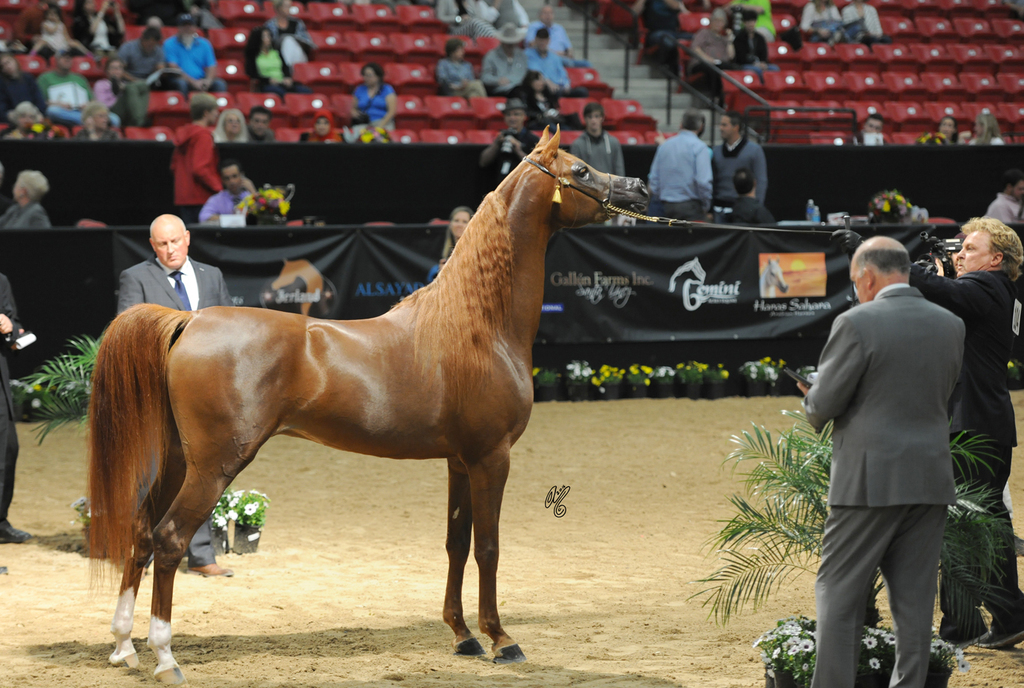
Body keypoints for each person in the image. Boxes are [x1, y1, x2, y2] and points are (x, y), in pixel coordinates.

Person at [835, 217, 1024, 648]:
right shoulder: (990, 293)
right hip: (981, 423)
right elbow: (937, 300)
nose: (960, 253)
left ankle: (971, 623)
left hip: (973, 426)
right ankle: (999, 616)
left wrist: (878, 256)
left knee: (962, 527)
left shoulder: (989, 287)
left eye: (970, 248)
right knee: (982, 526)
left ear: (996, 259)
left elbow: (944, 292)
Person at [801, 236, 965, 688]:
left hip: (867, 482)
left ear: (867, 276)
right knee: (914, 606)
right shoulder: (951, 324)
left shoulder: (856, 322)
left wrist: (812, 395)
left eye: (856, 281)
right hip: (930, 477)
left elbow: (823, 406)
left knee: (837, 594)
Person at [117, 214, 234, 578]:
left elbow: (231, 327)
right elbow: (129, 331)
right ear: (153, 247)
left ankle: (201, 555)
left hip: (207, 395)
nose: (170, 250)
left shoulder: (212, 275)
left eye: (175, 242)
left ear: (187, 238)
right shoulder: (136, 277)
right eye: (162, 244)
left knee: (203, 470)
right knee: (154, 471)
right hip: (158, 390)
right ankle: (145, 551)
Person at [0, 272, 29, 545]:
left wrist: (10, 327)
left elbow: (16, 331)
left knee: (8, 449)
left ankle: (0, 520)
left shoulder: (1, 282)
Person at [648, 108, 712, 221]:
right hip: (689, 207)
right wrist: (706, 204)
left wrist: (659, 199)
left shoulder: (665, 146)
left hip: (664, 206)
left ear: (681, 124)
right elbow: (703, 181)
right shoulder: (700, 147)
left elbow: (654, 179)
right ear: (701, 127)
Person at [38, 50, 122, 128]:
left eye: (70, 57)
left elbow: (92, 100)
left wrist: (87, 105)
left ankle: (90, 121)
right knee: (52, 111)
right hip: (63, 110)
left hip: (83, 111)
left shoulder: (80, 78)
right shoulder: (45, 78)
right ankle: (90, 122)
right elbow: (41, 102)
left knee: (115, 119)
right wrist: (58, 104)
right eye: (64, 57)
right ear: (56, 60)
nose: (67, 59)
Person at [171, 93, 221, 224]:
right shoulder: (203, 135)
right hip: (200, 196)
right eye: (215, 110)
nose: (217, 114)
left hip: (183, 196)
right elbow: (200, 168)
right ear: (206, 113)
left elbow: (174, 166)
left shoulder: (183, 133)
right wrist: (219, 188)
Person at [711, 110, 767, 222]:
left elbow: (761, 181)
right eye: (720, 124)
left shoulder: (754, 151)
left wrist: (756, 208)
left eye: (724, 125)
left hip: (744, 213)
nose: (720, 128)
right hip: (719, 211)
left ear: (735, 127)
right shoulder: (716, 152)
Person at [631, 0, 704, 75]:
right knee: (668, 41)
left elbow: (684, 12)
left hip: (675, 32)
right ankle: (668, 67)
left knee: (697, 38)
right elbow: (634, 13)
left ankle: (695, 68)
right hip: (655, 33)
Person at [479, 96, 538, 186]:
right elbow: (483, 162)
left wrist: (518, 150)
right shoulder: (502, 136)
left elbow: (537, 167)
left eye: (516, 114)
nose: (512, 118)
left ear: (524, 117)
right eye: (508, 115)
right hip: (500, 186)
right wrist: (496, 144)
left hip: (523, 187)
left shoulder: (532, 139)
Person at [163, 14, 226, 95]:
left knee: (219, 84)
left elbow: (211, 66)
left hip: (201, 78)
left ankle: (218, 107)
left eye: (190, 25)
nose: (187, 29)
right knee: (181, 84)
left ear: (195, 28)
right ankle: (183, 107)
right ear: (178, 28)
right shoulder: (169, 44)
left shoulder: (204, 44)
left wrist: (208, 81)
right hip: (180, 79)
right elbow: (174, 68)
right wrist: (193, 82)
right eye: (184, 26)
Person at [245, 26, 312, 98]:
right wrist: (268, 80)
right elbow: (252, 74)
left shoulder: (276, 52)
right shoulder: (253, 56)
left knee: (306, 91)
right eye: (265, 36)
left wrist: (287, 77)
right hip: (266, 84)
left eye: (269, 36)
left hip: (282, 82)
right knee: (280, 92)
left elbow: (285, 67)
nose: (268, 39)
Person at [687, 9, 738, 102]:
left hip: (719, 64)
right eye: (716, 20)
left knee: (732, 68)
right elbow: (695, 48)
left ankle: (728, 99)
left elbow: (731, 56)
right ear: (711, 21)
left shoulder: (724, 39)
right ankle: (715, 98)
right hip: (701, 63)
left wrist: (730, 40)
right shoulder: (704, 33)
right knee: (713, 69)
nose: (718, 23)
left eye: (721, 21)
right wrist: (709, 60)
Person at [525, 27, 587, 98]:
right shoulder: (528, 54)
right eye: (540, 40)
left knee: (582, 91)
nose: (542, 43)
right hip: (544, 87)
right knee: (552, 91)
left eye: (544, 40)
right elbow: (536, 72)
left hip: (559, 87)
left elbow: (562, 72)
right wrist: (548, 83)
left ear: (548, 41)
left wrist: (566, 85)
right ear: (535, 40)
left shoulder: (554, 56)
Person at [569, 102, 625, 176]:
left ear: (602, 118)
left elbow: (619, 170)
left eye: (596, 116)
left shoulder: (613, 142)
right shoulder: (577, 145)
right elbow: (575, 174)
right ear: (585, 119)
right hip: (587, 187)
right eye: (590, 117)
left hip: (609, 186)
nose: (593, 120)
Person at [525, 4, 591, 68]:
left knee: (586, 64)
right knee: (567, 63)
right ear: (539, 15)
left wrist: (569, 54)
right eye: (545, 13)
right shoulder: (533, 27)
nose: (548, 15)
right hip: (545, 58)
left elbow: (569, 48)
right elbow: (532, 45)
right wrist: (555, 54)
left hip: (563, 58)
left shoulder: (559, 28)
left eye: (550, 13)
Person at [513, 70, 581, 130]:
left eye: (542, 79)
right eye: (538, 79)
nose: (542, 82)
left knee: (567, 127)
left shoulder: (548, 95)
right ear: (530, 82)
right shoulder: (526, 97)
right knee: (552, 127)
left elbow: (554, 107)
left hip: (553, 120)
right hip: (538, 122)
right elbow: (527, 112)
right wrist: (542, 115)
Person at [93, 57, 148, 128]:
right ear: (107, 71)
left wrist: (123, 87)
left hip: (129, 111)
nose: (116, 70)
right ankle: (140, 121)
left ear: (123, 72)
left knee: (143, 87)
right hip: (111, 111)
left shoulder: (126, 84)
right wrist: (117, 96)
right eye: (113, 68)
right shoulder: (101, 84)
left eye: (119, 68)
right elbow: (102, 105)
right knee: (130, 88)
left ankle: (138, 118)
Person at [262, 0, 314, 69]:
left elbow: (307, 41)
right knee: (287, 40)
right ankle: (289, 69)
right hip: (278, 55)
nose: (289, 9)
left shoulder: (297, 23)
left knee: (289, 41)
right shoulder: (270, 25)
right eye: (286, 6)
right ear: (279, 8)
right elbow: (268, 44)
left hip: (298, 53)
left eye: (290, 6)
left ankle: (291, 69)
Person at [481, 23, 529, 96]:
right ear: (502, 42)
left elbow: (524, 74)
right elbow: (485, 77)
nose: (511, 46)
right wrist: (497, 81)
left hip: (519, 87)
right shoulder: (491, 56)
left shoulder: (521, 55)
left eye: (512, 43)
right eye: (508, 43)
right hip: (499, 90)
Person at [427, 205, 473, 282]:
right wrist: (441, 274)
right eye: (456, 220)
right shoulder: (444, 250)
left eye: (464, 222)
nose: (459, 225)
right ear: (450, 224)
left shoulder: (476, 251)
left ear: (471, 225)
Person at [199, 159, 252, 223]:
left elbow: (263, 214)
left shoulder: (250, 195)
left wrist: (253, 192)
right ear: (222, 181)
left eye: (234, 176)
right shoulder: (218, 198)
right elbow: (203, 217)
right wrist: (232, 219)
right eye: (227, 178)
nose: (232, 181)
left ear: (242, 176)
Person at [350, 62, 396, 131]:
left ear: (378, 76)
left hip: (383, 122)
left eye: (369, 75)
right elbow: (353, 108)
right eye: (364, 75)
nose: (366, 78)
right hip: (364, 123)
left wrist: (380, 126)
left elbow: (392, 112)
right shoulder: (359, 89)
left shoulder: (387, 89)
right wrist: (355, 114)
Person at [733, 9, 778, 80]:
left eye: (753, 21)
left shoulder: (760, 38)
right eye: (748, 21)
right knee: (757, 70)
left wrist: (763, 63)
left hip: (759, 63)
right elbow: (740, 57)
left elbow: (764, 54)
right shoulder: (739, 38)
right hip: (745, 64)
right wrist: (754, 63)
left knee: (775, 68)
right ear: (744, 23)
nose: (751, 24)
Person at [0, 53, 47, 119]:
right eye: (3, 66)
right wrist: (7, 114)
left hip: (32, 113)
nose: (7, 66)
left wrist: (40, 112)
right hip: (15, 115)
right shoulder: (2, 83)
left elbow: (38, 98)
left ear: (15, 61)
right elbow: (2, 106)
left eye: (8, 62)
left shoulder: (28, 78)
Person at [436, 0, 500, 39]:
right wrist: (459, 18)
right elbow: (440, 17)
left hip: (471, 25)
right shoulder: (444, 1)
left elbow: (477, 16)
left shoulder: (469, 1)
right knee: (475, 23)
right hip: (456, 29)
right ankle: (496, 38)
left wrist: (468, 9)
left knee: (480, 23)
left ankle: (495, 38)